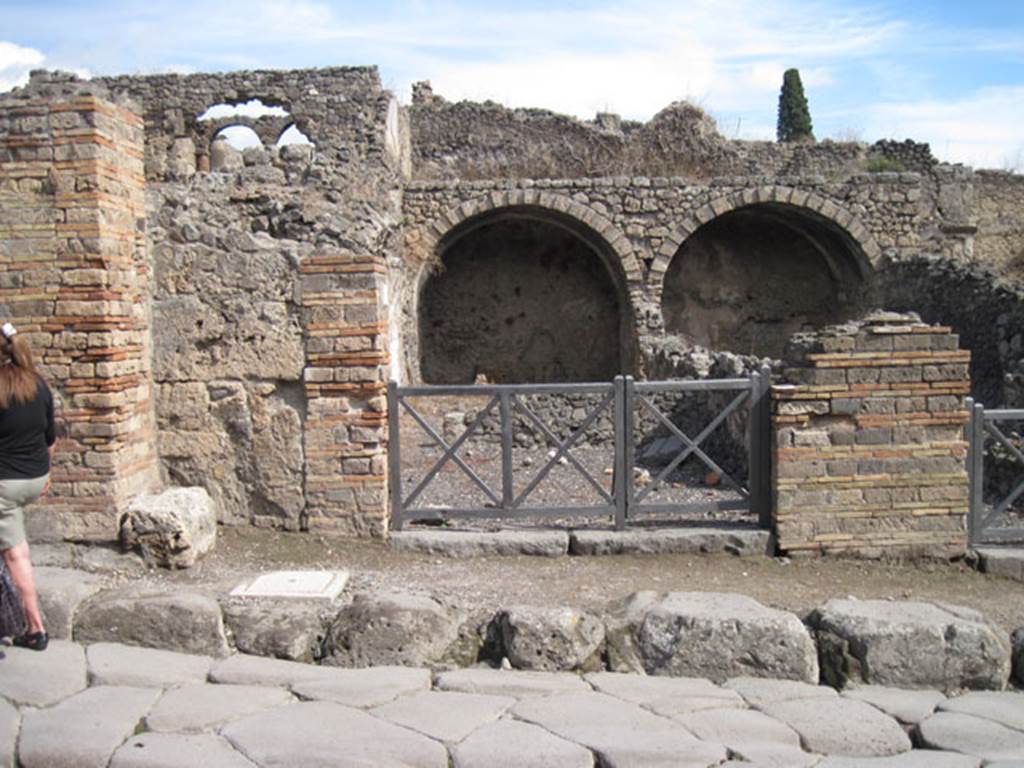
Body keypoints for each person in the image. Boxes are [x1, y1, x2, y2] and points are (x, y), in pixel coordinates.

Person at [0, 322, 54, 651]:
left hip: (5, 485)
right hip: (36, 478)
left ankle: (35, 628)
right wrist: (46, 475)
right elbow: (50, 439)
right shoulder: (38, 384)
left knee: (16, 553)